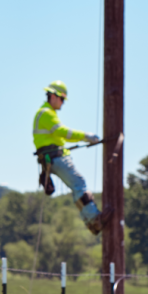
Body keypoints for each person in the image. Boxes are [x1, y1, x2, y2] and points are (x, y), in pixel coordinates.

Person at [33, 81, 113, 234]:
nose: (63, 103)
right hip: (55, 157)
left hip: (51, 157)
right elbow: (64, 132)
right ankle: (94, 220)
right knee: (79, 185)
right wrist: (85, 136)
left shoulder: (44, 113)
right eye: (62, 99)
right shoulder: (46, 113)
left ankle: (92, 221)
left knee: (77, 187)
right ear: (54, 96)